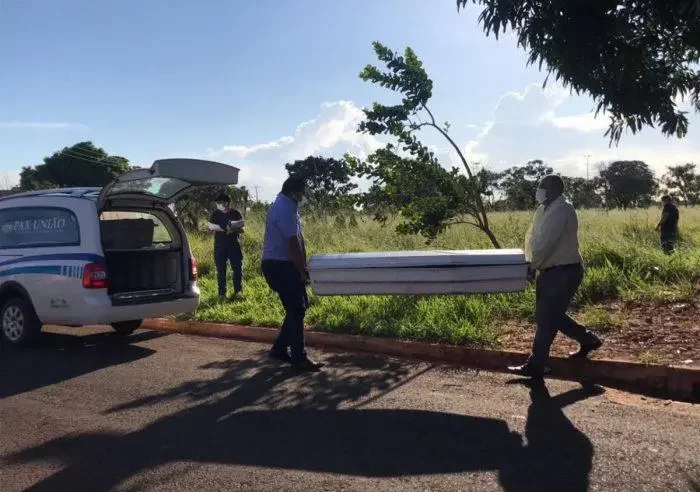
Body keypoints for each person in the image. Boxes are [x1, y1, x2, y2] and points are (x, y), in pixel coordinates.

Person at [508, 175, 602, 378]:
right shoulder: (543, 209)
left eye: (542, 187)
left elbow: (547, 243)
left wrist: (531, 266)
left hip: (563, 271)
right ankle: (588, 340)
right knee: (550, 315)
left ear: (554, 190)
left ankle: (537, 364)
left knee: (546, 318)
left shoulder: (562, 210)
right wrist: (529, 262)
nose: (539, 190)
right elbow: (533, 238)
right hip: (549, 270)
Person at [261, 176, 322, 372]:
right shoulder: (285, 209)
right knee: (297, 308)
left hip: (281, 264)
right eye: (303, 192)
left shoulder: (287, 206)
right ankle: (298, 357)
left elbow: (298, 238)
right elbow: (292, 244)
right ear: (295, 192)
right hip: (281, 265)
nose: (304, 196)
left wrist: (303, 266)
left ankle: (280, 349)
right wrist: (301, 270)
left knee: (298, 308)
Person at [208, 192, 244, 299]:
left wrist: (233, 229)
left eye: (220, 202)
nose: (218, 204)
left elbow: (242, 229)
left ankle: (238, 291)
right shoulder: (215, 214)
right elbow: (212, 229)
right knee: (221, 271)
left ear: (227, 203)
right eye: (217, 203)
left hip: (233, 245)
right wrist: (210, 230)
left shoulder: (235, 213)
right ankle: (221, 294)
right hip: (219, 246)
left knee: (237, 269)